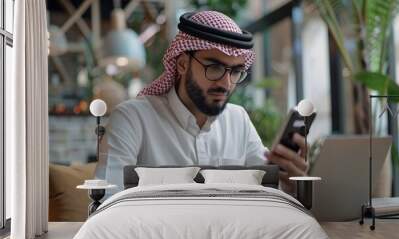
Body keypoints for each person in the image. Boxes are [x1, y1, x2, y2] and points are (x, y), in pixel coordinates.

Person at [95, 10, 308, 197]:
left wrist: (289, 182)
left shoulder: (238, 120)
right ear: (182, 64)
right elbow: (107, 202)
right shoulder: (132, 119)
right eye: (214, 67)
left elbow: (266, 191)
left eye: (235, 72)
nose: (226, 83)